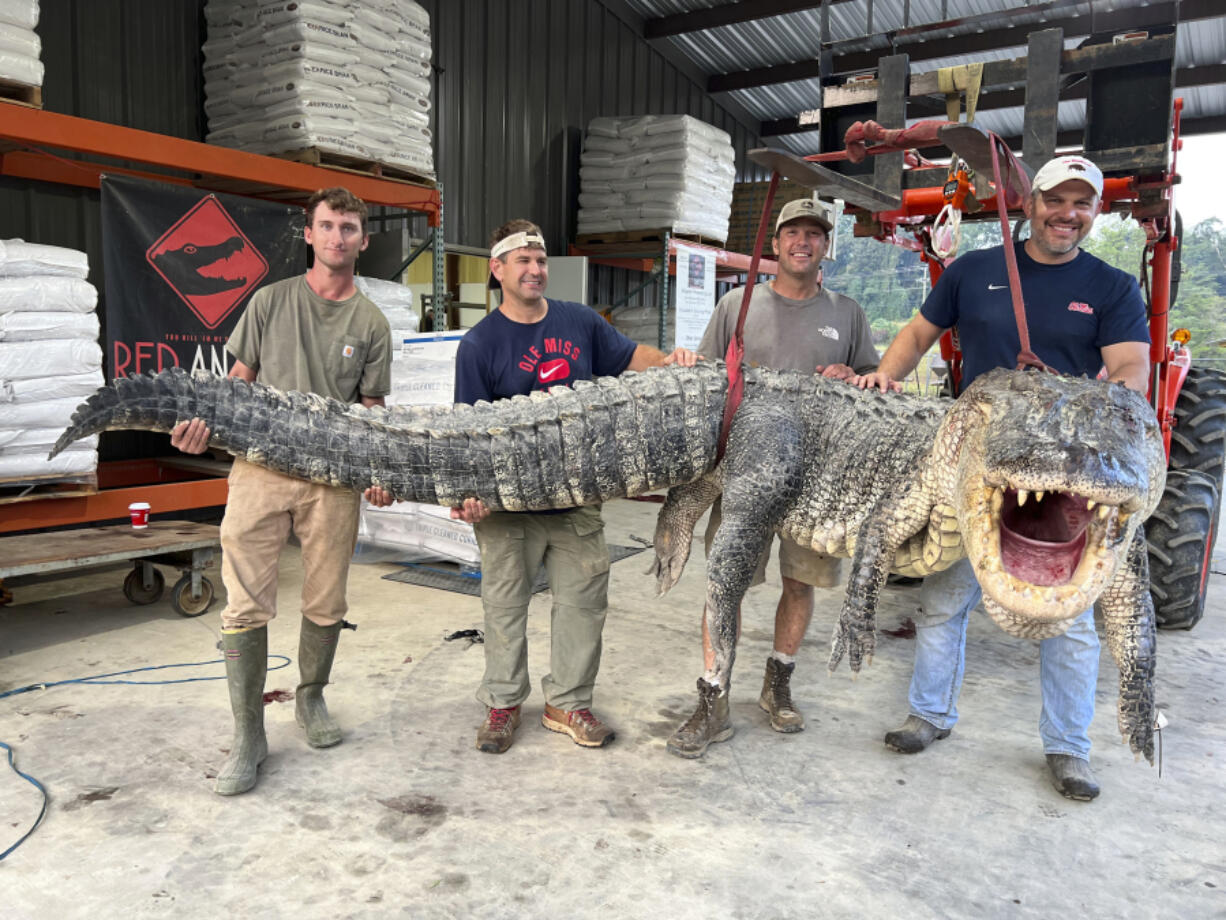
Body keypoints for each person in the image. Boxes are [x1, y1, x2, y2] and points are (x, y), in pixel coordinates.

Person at [855, 155, 1151, 801]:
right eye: (1056, 200)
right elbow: (918, 332)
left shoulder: (1112, 287)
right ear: (1030, 203)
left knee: (1068, 619)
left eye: (1082, 204)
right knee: (943, 599)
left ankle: (1068, 748)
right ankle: (929, 715)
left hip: (1064, 473)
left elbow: (1131, 368)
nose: (1067, 215)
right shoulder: (975, 270)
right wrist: (886, 375)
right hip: (979, 469)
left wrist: (1102, 402)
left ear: (1095, 212)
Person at [170, 187, 395, 795]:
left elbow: (371, 411)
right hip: (260, 473)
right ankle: (248, 734)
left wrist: (379, 471)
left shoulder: (371, 323)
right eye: (327, 225)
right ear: (309, 233)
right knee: (244, 603)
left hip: (333, 481)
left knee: (326, 601)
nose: (337, 237)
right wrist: (202, 432)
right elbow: (233, 390)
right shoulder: (269, 303)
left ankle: (312, 698)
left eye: (349, 227)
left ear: (363, 239)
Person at [452, 219, 697, 754]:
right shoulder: (479, 345)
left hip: (576, 501)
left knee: (584, 603)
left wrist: (674, 362)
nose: (536, 269)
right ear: (498, 269)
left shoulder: (580, 322)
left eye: (541, 260)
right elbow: (466, 434)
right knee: (504, 606)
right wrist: (465, 497)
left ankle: (568, 703)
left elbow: (634, 358)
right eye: (523, 260)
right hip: (507, 508)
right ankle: (502, 702)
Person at [668, 197, 881, 759]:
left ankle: (778, 680)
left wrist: (852, 376)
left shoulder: (847, 313)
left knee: (801, 582)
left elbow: (872, 384)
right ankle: (713, 693)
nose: (802, 242)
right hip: (744, 475)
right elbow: (709, 383)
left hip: (818, 481)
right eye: (793, 232)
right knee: (726, 581)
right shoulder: (737, 306)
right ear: (776, 242)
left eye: (814, 234)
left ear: (825, 247)